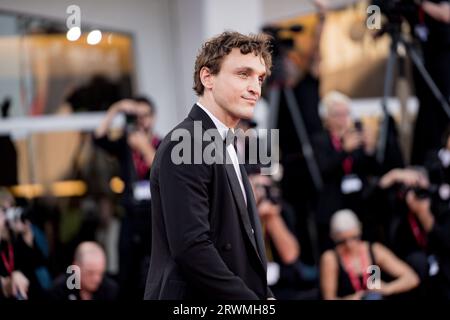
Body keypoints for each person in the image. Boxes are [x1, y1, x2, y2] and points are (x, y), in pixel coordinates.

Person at [144, 31, 274, 300]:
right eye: (243, 74)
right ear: (208, 77)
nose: (255, 88)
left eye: (259, 78)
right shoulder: (187, 142)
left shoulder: (222, 141)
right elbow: (192, 247)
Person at [93, 96, 160, 299]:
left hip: (156, 217)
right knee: (128, 271)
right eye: (135, 116)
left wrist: (143, 147)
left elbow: (164, 170)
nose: (140, 120)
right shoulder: (124, 145)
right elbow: (98, 137)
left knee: (155, 270)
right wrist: (116, 108)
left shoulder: (163, 142)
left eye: (144, 115)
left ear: (153, 118)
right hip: (131, 215)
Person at [312, 91, 379, 252]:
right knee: (335, 250)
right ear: (327, 118)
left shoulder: (356, 135)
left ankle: (372, 277)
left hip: (359, 202)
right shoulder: (320, 140)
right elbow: (323, 170)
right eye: (338, 114)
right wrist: (344, 151)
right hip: (333, 203)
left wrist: (370, 149)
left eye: (346, 113)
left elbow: (372, 169)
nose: (343, 118)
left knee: (368, 246)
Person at [320, 209, 419, 300]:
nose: (350, 245)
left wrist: (388, 288)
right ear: (334, 238)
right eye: (342, 241)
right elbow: (328, 297)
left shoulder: (374, 250)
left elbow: (411, 278)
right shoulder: (330, 258)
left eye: (354, 238)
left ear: (359, 232)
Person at [49, 241, 118, 300]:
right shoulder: (60, 290)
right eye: (90, 273)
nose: (97, 279)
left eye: (100, 273)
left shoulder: (109, 290)